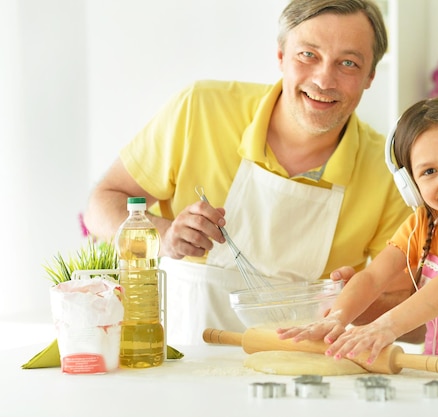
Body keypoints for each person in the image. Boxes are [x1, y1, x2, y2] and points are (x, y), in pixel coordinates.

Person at [83, 0, 417, 345]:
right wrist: (163, 237)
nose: (323, 79)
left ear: (370, 77)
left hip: (297, 375)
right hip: (177, 357)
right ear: (281, 57)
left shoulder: (387, 171)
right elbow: (101, 205)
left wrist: (353, 302)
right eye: (308, 55)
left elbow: (409, 306)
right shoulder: (201, 109)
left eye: (348, 63)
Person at [277, 97, 438, 362]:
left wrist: (387, 326)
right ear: (410, 184)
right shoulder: (420, 225)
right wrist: (337, 317)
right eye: (429, 172)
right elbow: (371, 278)